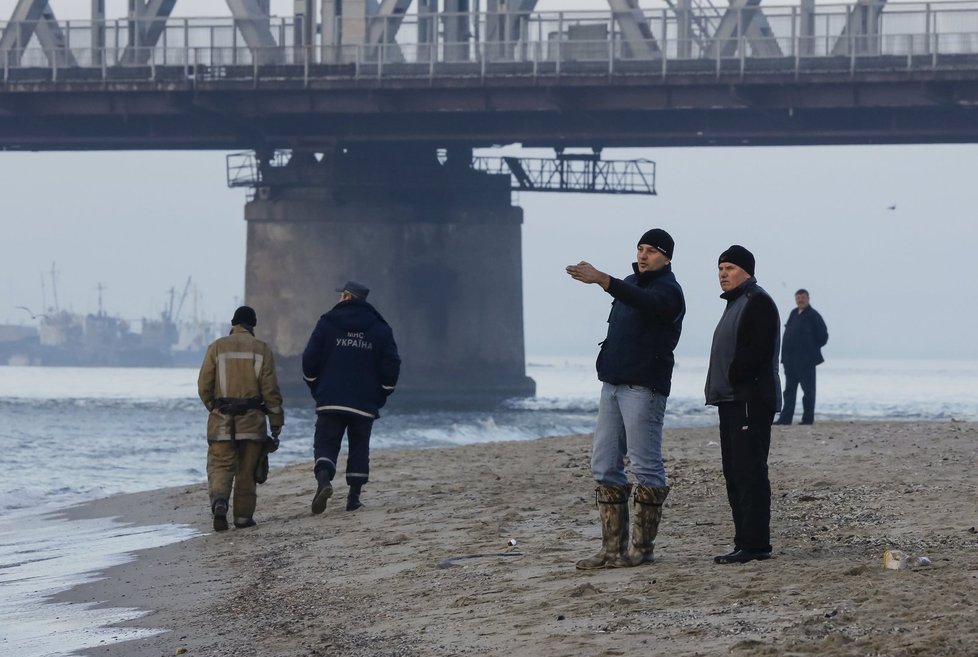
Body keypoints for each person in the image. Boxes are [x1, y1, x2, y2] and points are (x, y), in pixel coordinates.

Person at [566, 229, 685, 570]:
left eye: (652, 250)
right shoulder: (631, 284)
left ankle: (642, 549)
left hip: (643, 388)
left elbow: (648, 304)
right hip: (613, 385)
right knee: (603, 464)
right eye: (641, 248)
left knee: (646, 466)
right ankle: (612, 549)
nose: (644, 254)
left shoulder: (669, 291)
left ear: (667, 257)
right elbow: (630, 299)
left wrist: (604, 279)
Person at [705, 246, 782, 564]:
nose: (723, 273)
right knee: (734, 472)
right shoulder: (736, 303)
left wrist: (737, 373)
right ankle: (744, 541)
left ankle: (755, 544)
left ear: (747, 271)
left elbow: (759, 351)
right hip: (730, 400)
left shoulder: (757, 301)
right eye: (720, 268)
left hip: (749, 399)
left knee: (749, 471)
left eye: (730, 267)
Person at [302, 281, 401, 514]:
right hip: (364, 402)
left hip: (331, 398)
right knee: (359, 446)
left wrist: (314, 384)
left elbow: (309, 358)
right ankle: (353, 497)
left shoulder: (327, 322)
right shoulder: (380, 328)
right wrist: (383, 391)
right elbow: (391, 365)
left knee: (326, 442)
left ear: (346, 297)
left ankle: (324, 482)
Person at [198, 305, 284, 532]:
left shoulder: (216, 348)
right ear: (252, 325)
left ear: (233, 324)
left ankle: (219, 502)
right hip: (252, 423)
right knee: (247, 472)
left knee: (220, 466)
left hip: (221, 422)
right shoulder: (261, 349)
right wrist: (276, 422)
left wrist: (214, 408)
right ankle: (243, 518)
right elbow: (271, 391)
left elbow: (204, 385)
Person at [775, 289, 829, 425]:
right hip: (790, 361)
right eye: (798, 297)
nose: (800, 300)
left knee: (808, 392)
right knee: (789, 392)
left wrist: (810, 349)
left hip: (806, 362)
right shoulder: (793, 313)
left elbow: (823, 336)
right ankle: (785, 419)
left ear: (808, 298)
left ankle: (807, 419)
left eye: (803, 297)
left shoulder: (814, 315)